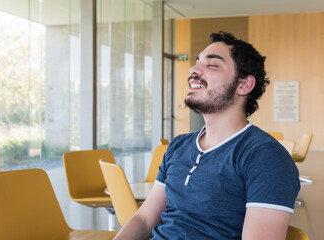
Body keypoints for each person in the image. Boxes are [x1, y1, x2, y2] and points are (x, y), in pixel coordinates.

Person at [114, 31, 300, 240]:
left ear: (244, 85)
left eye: (212, 65)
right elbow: (144, 220)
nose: (193, 69)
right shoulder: (178, 146)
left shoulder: (265, 157)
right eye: (196, 62)